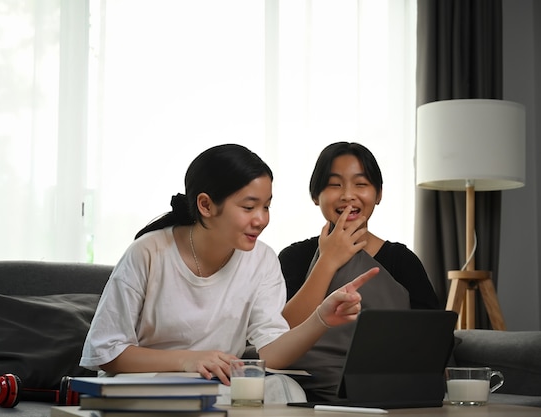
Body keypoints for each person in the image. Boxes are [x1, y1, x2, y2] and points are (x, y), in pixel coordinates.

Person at [80, 143, 378, 391]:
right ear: (206, 205)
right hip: (144, 386)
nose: (261, 219)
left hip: (213, 387)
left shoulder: (262, 260)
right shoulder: (147, 252)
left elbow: (271, 353)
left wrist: (321, 318)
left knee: (286, 388)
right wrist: (188, 360)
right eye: (248, 207)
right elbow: (107, 352)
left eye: (266, 206)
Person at [278, 141, 439, 402]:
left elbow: (432, 340)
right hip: (305, 390)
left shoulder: (402, 261)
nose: (347, 195)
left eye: (361, 184)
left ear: (378, 194)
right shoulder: (294, 257)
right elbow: (281, 333)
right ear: (315, 195)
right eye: (334, 184)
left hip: (386, 391)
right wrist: (328, 261)